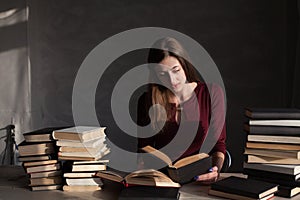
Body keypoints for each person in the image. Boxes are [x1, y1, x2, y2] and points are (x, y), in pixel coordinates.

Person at [137, 37, 226, 184]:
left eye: (175, 70)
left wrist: (215, 170)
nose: (172, 80)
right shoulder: (147, 100)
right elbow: (143, 149)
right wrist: (141, 172)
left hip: (200, 179)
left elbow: (218, 145)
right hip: (163, 180)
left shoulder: (212, 93)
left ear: (184, 65)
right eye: (162, 74)